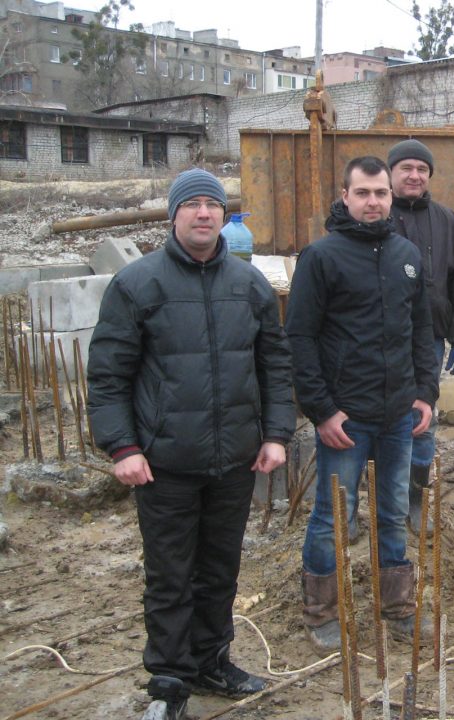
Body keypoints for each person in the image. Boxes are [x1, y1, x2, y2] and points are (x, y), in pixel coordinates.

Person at [88, 168, 295, 720]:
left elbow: (274, 365)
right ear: (173, 215)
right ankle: (169, 681)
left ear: (223, 217)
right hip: (164, 462)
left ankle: (211, 661)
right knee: (170, 574)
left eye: (213, 205)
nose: (204, 213)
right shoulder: (138, 284)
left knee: (220, 569)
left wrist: (276, 433)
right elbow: (108, 376)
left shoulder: (248, 284)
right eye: (192, 204)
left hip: (234, 459)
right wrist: (122, 447)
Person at [287, 155, 439, 650]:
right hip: (345, 419)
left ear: (390, 197)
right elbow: (301, 340)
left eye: (380, 193)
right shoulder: (321, 258)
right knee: (332, 514)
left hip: (397, 414)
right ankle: (321, 611)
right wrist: (322, 410)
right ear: (346, 196)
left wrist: (424, 394)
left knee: (394, 510)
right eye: (363, 193)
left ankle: (397, 607)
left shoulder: (406, 255)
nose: (372, 202)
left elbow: (422, 331)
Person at [387, 139, 454, 534]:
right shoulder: (375, 214)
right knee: (369, 419)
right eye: (406, 168)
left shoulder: (447, 221)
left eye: (421, 169)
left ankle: (414, 501)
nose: (414, 175)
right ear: (391, 172)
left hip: (428, 338)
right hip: (373, 338)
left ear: (429, 176)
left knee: (421, 420)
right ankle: (375, 502)